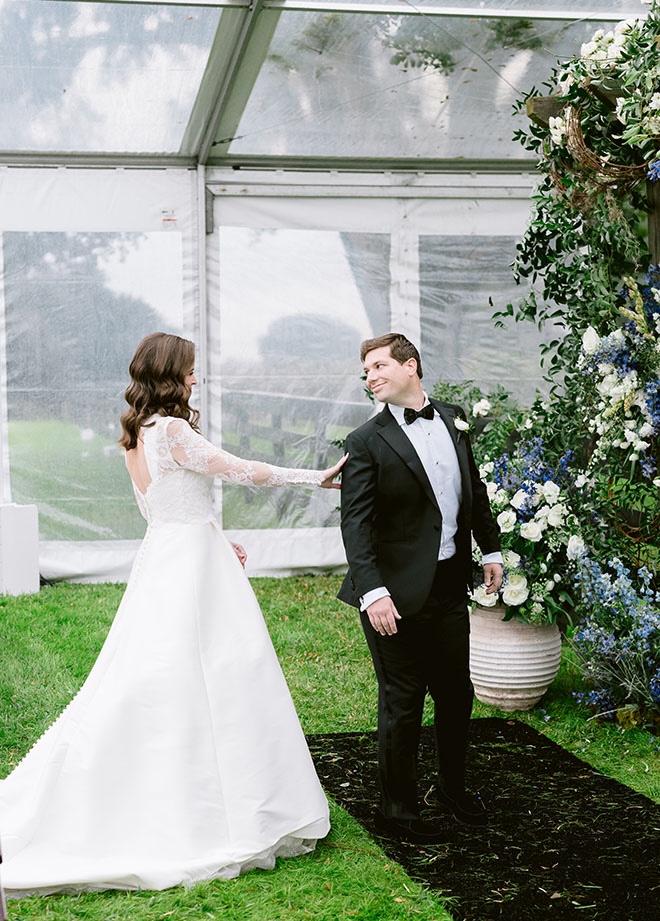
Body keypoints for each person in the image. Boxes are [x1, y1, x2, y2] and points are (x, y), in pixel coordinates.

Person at [0, 331, 346, 898]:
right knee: (211, 672)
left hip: (167, 553)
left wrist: (216, 537)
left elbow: (166, 507)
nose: (195, 377)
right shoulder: (175, 430)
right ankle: (214, 805)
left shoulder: (134, 436)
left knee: (163, 671)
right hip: (188, 564)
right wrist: (316, 478)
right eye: (189, 369)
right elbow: (239, 470)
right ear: (169, 374)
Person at [338, 332, 502, 845]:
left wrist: (490, 549)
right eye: (366, 371)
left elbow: (470, 490)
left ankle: (452, 789)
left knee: (457, 694)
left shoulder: (454, 419)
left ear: (412, 366)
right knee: (403, 700)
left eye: (380, 366)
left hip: (450, 585)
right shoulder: (365, 441)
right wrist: (373, 593)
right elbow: (356, 526)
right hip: (392, 595)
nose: (371, 376)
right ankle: (398, 811)